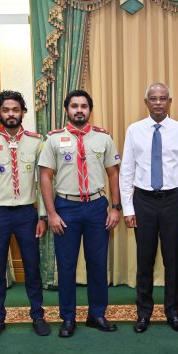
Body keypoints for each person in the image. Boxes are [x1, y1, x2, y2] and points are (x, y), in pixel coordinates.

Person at [39, 89, 121, 338]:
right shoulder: (53, 139)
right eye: (74, 106)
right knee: (66, 266)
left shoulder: (103, 138)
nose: (79, 110)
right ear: (67, 110)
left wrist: (115, 208)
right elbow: (45, 176)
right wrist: (51, 214)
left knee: (97, 264)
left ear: (90, 110)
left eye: (84, 106)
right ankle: (68, 318)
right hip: (66, 207)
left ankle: (97, 314)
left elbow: (114, 174)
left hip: (97, 206)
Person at [120, 82, 178, 333]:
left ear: (169, 102)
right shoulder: (134, 130)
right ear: (146, 103)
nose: (158, 102)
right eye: (153, 98)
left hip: (172, 201)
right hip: (143, 201)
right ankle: (143, 313)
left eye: (163, 98)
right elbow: (126, 172)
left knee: (172, 259)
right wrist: (128, 209)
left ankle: (173, 312)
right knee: (144, 260)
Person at [0, 90, 51, 338]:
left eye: (15, 110)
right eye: (5, 110)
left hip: (27, 215)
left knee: (32, 266)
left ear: (23, 112)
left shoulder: (38, 141)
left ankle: (37, 314)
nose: (11, 114)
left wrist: (43, 216)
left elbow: (44, 181)